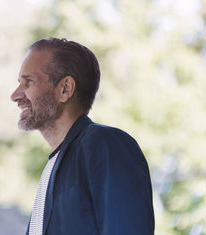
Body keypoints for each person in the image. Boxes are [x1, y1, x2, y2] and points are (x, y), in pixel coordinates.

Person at [10, 38, 155, 235]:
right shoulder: (53, 168)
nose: (15, 95)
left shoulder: (106, 145)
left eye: (28, 82)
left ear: (65, 89)